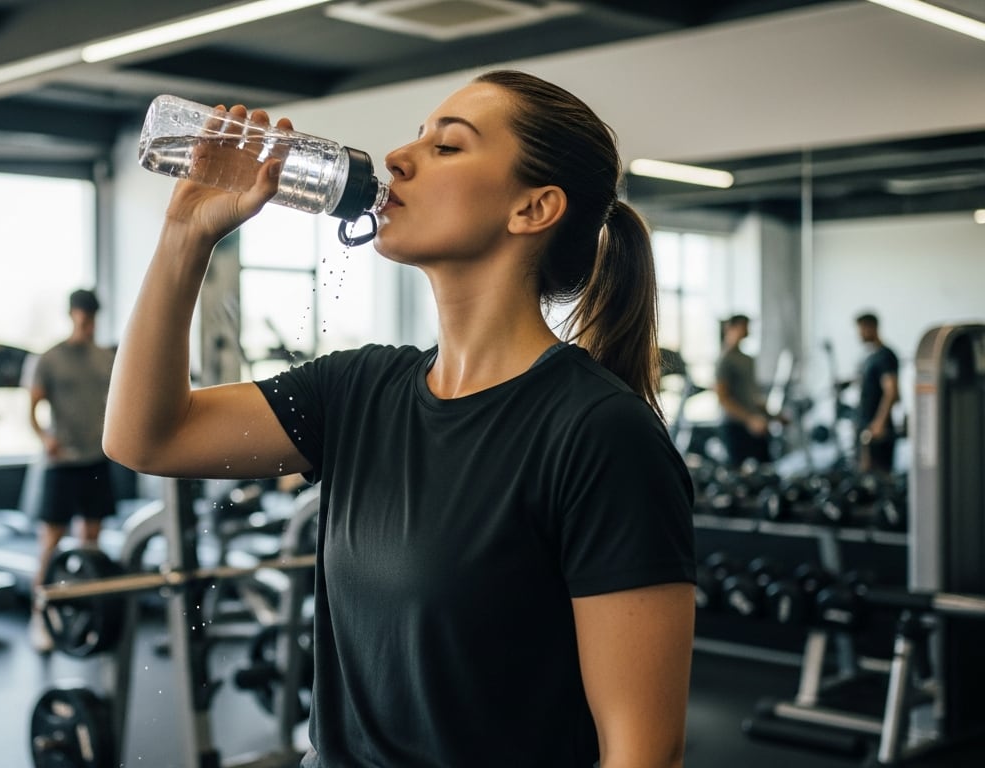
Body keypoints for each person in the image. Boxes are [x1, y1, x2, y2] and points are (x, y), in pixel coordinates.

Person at [105, 70, 695, 766]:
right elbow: (147, 435)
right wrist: (184, 235)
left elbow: (642, 754)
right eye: (416, 136)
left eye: (447, 147)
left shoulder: (599, 433)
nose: (396, 159)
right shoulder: (359, 389)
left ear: (534, 208)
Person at [27, 288, 117, 653]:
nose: (86, 324)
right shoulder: (50, 359)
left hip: (97, 458)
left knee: (91, 542)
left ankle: (86, 609)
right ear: (71, 315)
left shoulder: (106, 358)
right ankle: (41, 611)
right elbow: (32, 407)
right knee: (51, 540)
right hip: (63, 461)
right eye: (81, 317)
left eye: (91, 318)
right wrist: (44, 437)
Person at [714, 314, 776, 467]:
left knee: (766, 471)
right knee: (738, 476)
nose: (747, 330)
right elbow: (723, 399)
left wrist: (774, 415)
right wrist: (750, 420)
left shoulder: (747, 359)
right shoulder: (725, 360)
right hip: (736, 426)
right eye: (743, 326)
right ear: (730, 328)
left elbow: (752, 395)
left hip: (756, 425)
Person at [854, 312, 899, 473]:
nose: (859, 334)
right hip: (865, 424)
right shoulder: (870, 357)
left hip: (877, 428)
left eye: (861, 329)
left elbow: (892, 391)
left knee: (878, 478)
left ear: (871, 328)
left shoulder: (885, 356)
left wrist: (879, 423)